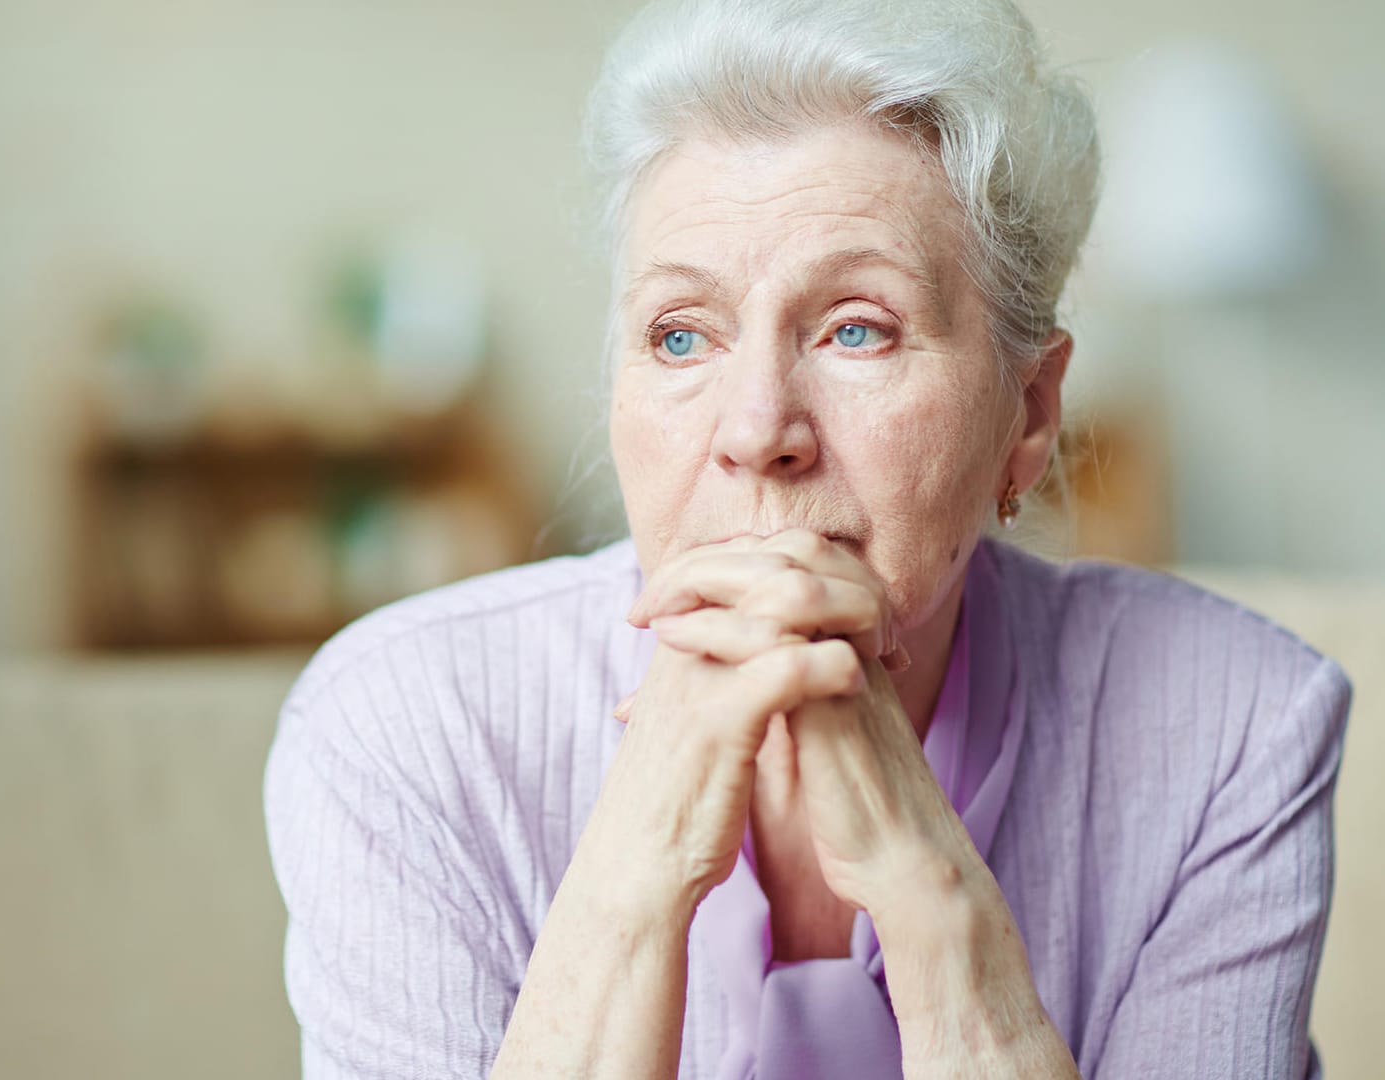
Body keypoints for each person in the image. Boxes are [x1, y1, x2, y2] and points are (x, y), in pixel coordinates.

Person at [263, 0, 1352, 1075]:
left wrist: (929, 894)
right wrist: (636, 870)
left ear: (1027, 414)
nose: (755, 431)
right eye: (681, 334)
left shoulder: (1233, 728)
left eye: (857, 329)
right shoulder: (402, 728)